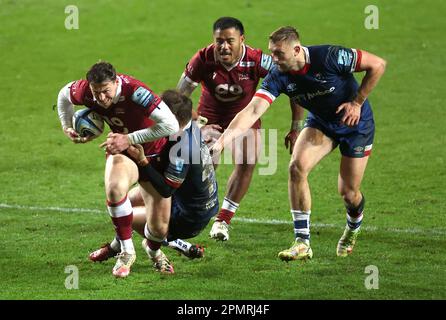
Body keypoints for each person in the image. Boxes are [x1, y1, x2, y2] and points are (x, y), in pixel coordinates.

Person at [211, 26, 386, 261]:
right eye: (272, 53)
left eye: (279, 54)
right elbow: (252, 110)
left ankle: (353, 227)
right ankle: (302, 242)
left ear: (296, 50)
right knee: (296, 167)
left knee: (348, 193)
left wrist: (357, 102)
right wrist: (222, 143)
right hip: (321, 123)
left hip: (355, 124)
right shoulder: (278, 75)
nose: (274, 59)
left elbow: (378, 65)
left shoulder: (329, 56)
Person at [177, 17, 304, 242]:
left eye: (230, 41)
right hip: (210, 120)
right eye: (219, 41)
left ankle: (222, 220)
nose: (224, 46)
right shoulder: (203, 59)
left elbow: (293, 85)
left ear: (242, 40)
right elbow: (178, 98)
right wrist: (196, 123)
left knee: (248, 159)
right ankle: (184, 209)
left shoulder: (257, 60)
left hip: (245, 119)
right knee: (205, 162)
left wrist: (295, 127)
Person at [57, 62, 180, 277]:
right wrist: (66, 125)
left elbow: (171, 126)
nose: (101, 98)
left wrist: (129, 138)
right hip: (122, 152)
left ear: (116, 82)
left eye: (106, 91)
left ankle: (153, 253)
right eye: (97, 93)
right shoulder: (85, 91)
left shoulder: (137, 93)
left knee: (159, 229)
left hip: (153, 156)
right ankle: (126, 250)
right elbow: (63, 95)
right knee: (114, 188)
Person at [89, 90, 219, 274]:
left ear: (172, 118)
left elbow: (165, 189)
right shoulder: (187, 126)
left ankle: (156, 246)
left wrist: (142, 161)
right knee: (122, 202)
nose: (153, 115)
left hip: (189, 217)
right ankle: (118, 246)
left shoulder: (182, 146)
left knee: (126, 216)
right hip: (192, 198)